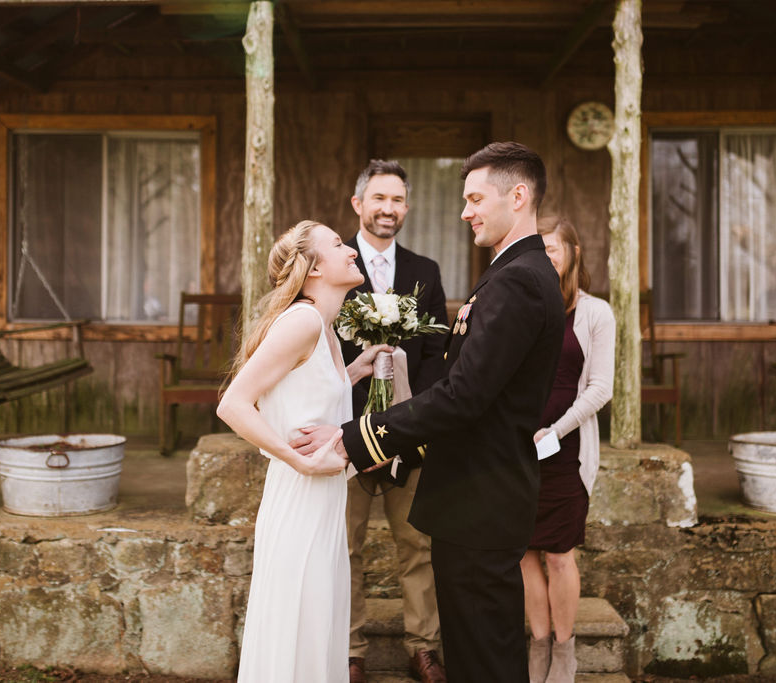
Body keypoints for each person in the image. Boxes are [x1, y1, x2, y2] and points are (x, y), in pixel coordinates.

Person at [338, 141, 566, 682]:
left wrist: (363, 436)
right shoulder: (515, 272)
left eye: (474, 198)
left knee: (483, 657)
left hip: (480, 497)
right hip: (473, 495)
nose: (465, 212)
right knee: (474, 652)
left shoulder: (519, 280)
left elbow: (464, 395)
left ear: (518, 195)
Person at [293, 160, 448, 683]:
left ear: (406, 207)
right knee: (346, 545)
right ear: (358, 204)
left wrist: (416, 416)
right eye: (379, 198)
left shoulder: (426, 271)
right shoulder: (332, 268)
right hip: (346, 433)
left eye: (398, 200)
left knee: (418, 544)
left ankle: (424, 647)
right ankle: (350, 649)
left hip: (410, 434)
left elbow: (434, 352)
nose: (389, 209)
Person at [216, 220, 390, 683]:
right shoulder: (303, 320)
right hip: (300, 501)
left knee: (317, 624)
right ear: (312, 268)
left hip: (324, 503)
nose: (352, 251)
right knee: (300, 626)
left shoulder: (325, 328)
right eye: (338, 245)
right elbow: (233, 404)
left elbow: (307, 394)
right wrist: (296, 458)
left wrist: (354, 372)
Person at [522, 217, 616, 683]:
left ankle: (564, 649)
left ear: (573, 254)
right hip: (519, 448)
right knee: (523, 552)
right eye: (536, 250)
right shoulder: (526, 309)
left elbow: (600, 389)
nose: (544, 258)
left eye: (552, 249)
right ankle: (537, 644)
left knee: (558, 553)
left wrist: (554, 430)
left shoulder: (596, 313)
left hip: (566, 448)